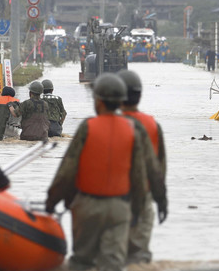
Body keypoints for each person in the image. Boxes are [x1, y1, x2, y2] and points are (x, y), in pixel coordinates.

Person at [45, 74, 163, 271]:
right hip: (120, 207)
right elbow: (141, 173)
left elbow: (68, 170)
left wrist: (52, 201)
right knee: (113, 264)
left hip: (87, 206)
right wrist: (143, 206)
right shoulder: (133, 128)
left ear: (98, 100)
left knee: (82, 261)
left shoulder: (88, 127)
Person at [117, 70, 169, 264]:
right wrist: (161, 200)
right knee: (138, 258)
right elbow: (158, 167)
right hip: (143, 197)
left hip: (111, 199)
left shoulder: (104, 123)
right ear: (139, 95)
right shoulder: (152, 124)